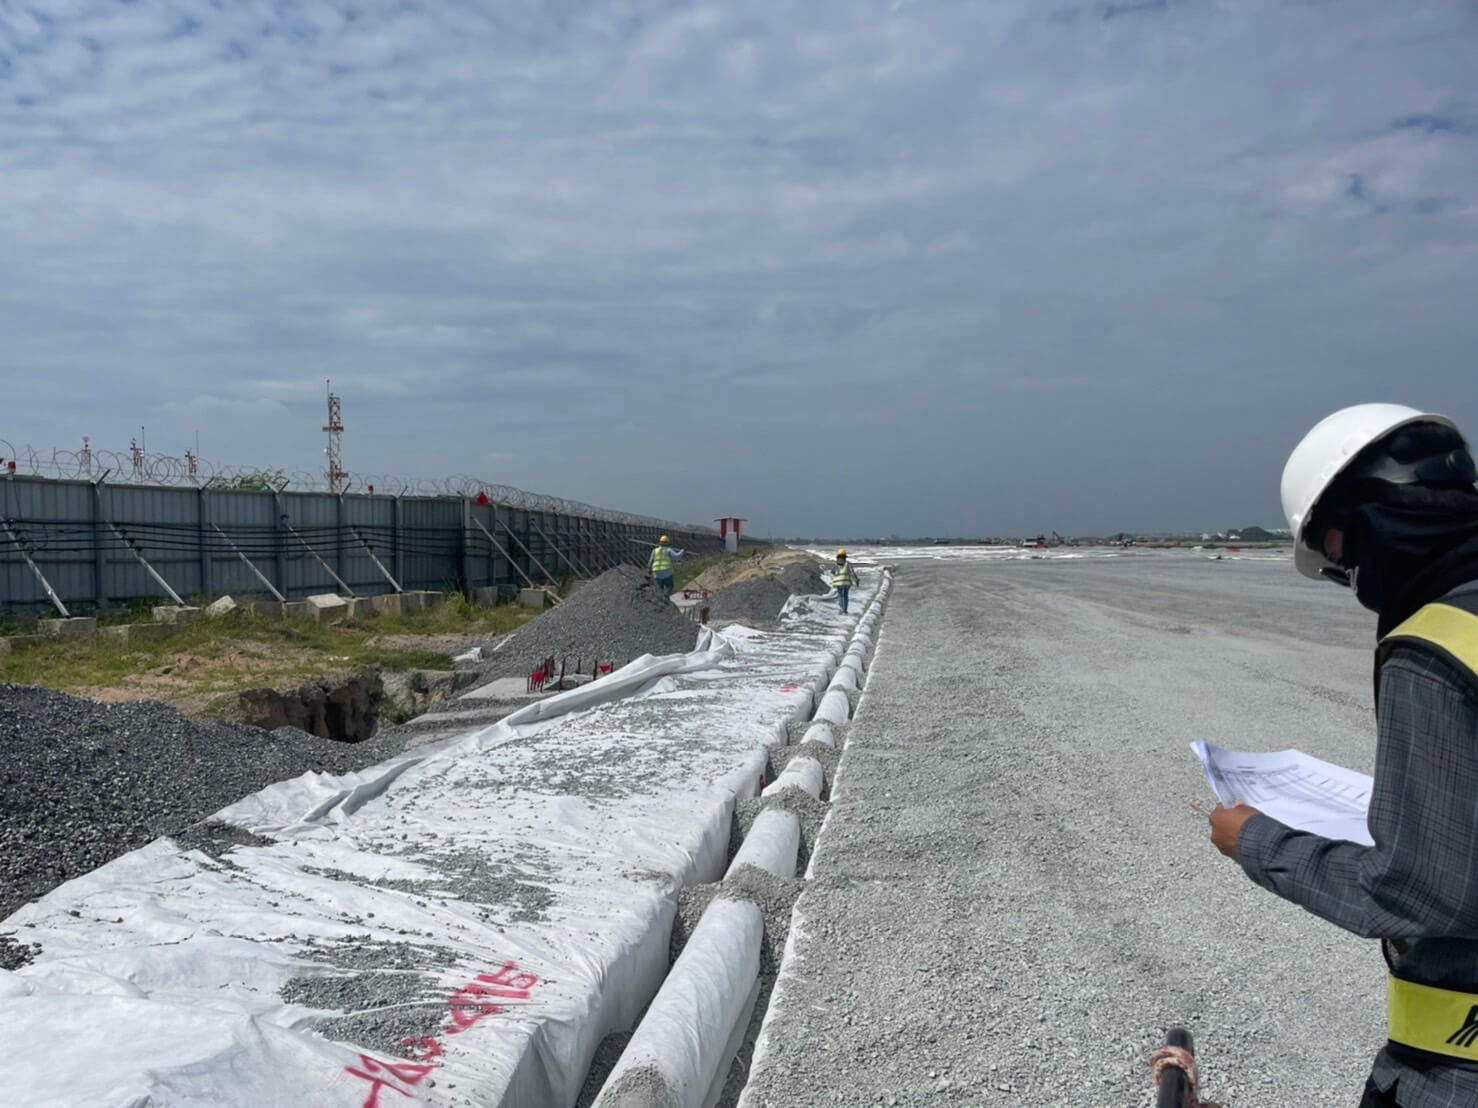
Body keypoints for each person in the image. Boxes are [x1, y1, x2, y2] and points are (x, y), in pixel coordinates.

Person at [1206, 403, 1478, 1108]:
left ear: (1368, 520)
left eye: (1340, 554)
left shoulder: (1434, 650)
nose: (1350, 577)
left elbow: (1416, 890)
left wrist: (1257, 841)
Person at [832, 548, 859, 613]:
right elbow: (852, 573)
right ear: (845, 556)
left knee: (840, 595)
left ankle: (841, 609)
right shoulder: (847, 564)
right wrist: (856, 580)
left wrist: (837, 575)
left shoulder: (836, 564)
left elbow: (832, 571)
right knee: (845, 596)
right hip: (846, 582)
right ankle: (845, 610)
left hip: (838, 583)